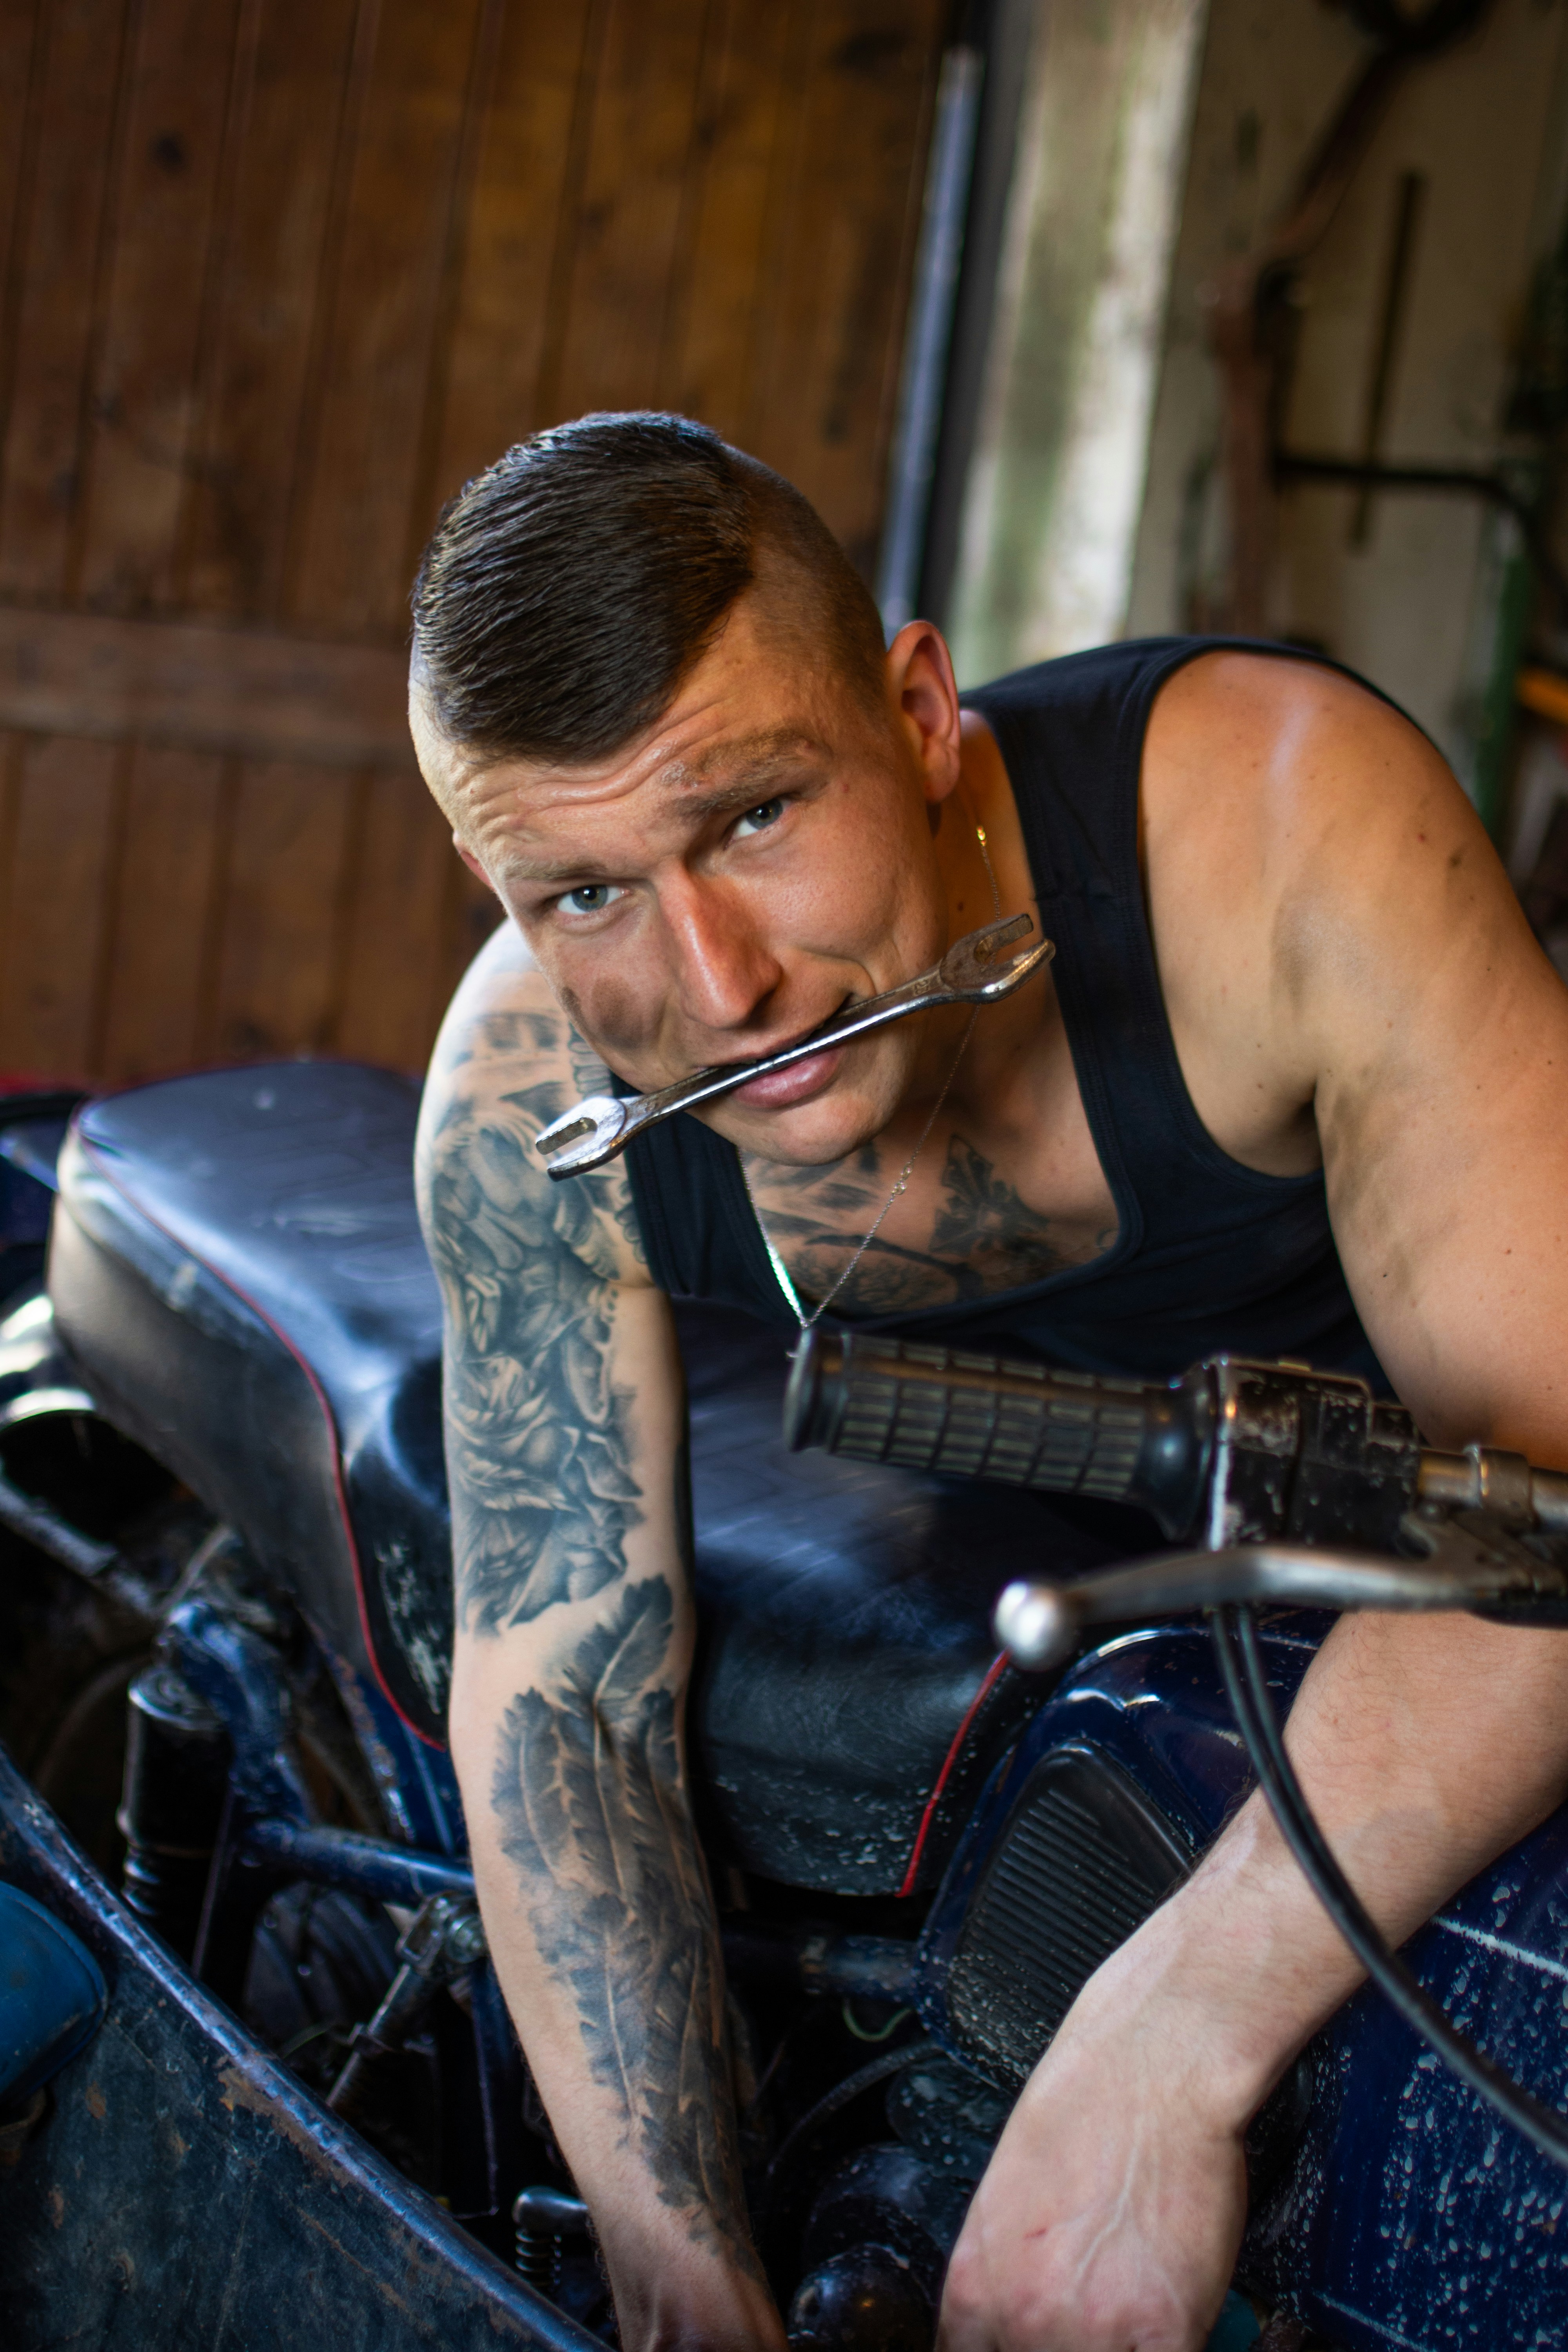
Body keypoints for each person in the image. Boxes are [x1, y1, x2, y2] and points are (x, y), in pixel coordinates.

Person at [409, 411, 1568, 2352]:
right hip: (1051, 1656)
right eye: (584, 892)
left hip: (1401, 1623)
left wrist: (1165, 2053)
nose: (713, 985)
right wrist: (682, 2287)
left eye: (756, 815)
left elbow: (1545, 1515)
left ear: (923, 712)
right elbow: (556, 1694)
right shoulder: (530, 1096)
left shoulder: (1287, 834)